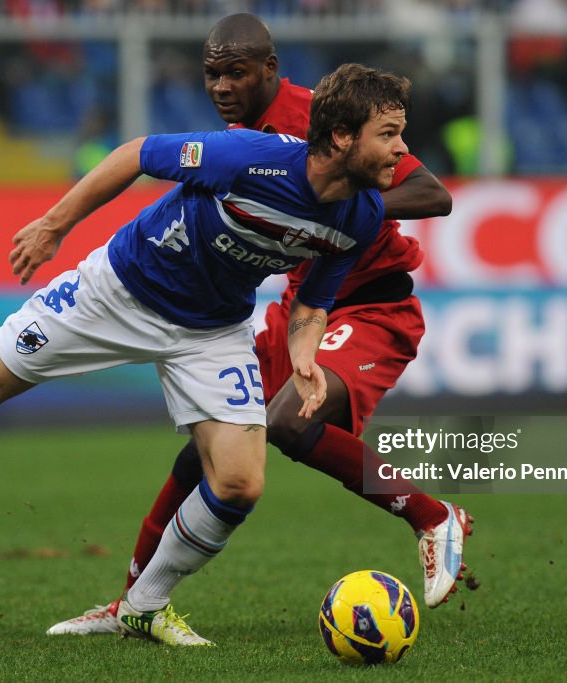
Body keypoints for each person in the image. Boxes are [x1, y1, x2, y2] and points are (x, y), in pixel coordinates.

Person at [0, 61, 412, 647]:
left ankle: (142, 606)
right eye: (388, 135)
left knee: (239, 482)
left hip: (211, 330)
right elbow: (137, 153)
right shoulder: (250, 159)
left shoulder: (360, 217)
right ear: (341, 137)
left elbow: (312, 303)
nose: (401, 149)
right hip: (120, 290)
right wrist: (54, 226)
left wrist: (304, 355)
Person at [46, 14, 469, 638]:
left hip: (370, 306)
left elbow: (433, 194)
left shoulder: (321, 119)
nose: (220, 87)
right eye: (211, 74)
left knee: (290, 423)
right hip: (304, 307)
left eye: (235, 74)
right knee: (206, 455)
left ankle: (434, 517)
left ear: (270, 71)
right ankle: (131, 606)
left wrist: (354, 203)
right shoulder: (247, 142)